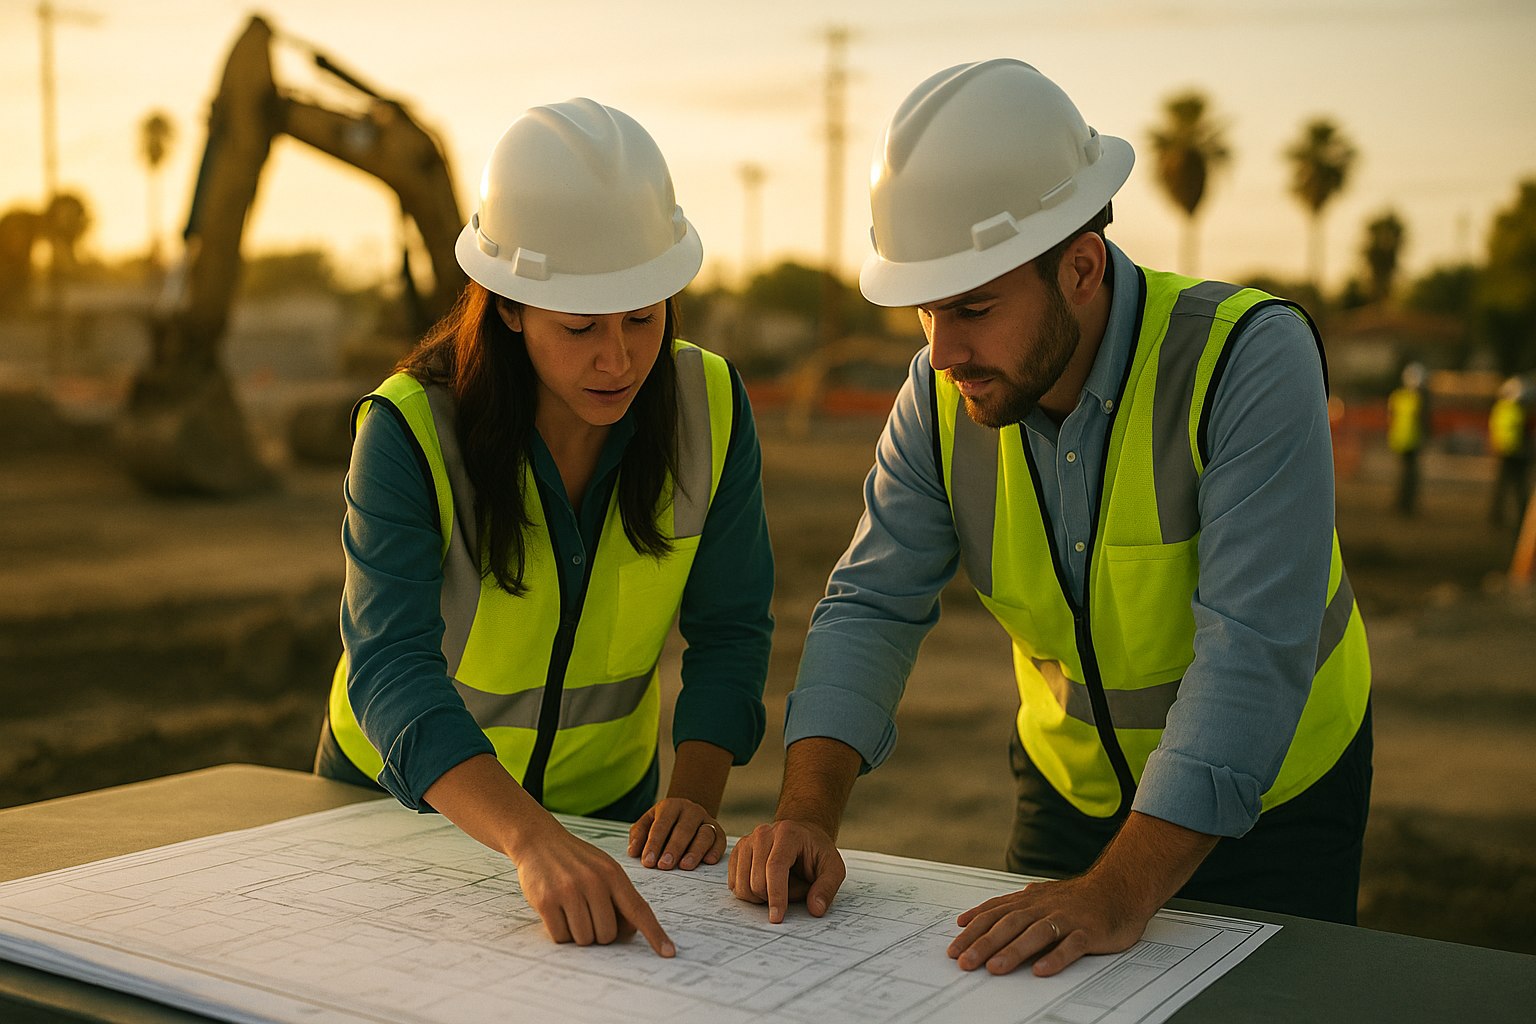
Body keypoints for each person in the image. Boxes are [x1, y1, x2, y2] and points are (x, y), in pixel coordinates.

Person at [728, 60, 1370, 979]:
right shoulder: (942, 391)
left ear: (1080, 264)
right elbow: (871, 604)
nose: (942, 351)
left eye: (974, 308)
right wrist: (806, 814)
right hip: (1069, 796)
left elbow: (1253, 652)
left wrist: (1118, 892)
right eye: (924, 311)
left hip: (1280, 800)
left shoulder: (1247, 360)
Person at [314, 99, 774, 957]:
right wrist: (530, 838)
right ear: (511, 306)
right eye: (580, 327)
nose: (619, 359)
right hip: (397, 807)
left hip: (607, 819)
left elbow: (732, 627)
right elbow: (389, 668)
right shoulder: (410, 428)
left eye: (643, 317)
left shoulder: (710, 408)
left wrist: (694, 801)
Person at [1387, 362, 1431, 516]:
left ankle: (1401, 504)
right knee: (1410, 476)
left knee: (1403, 475)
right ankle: (1407, 506)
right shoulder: (1418, 400)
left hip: (1399, 440)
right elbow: (1424, 421)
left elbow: (1391, 417)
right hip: (1412, 441)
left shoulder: (1397, 396)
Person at [1488, 376, 1530, 528]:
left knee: (1502, 487)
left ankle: (1496, 517)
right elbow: (1525, 433)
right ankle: (1522, 519)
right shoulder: (1518, 410)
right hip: (1517, 454)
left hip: (1504, 452)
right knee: (1519, 489)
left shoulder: (1499, 408)